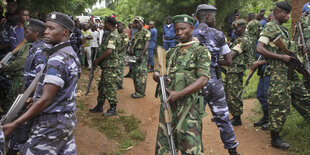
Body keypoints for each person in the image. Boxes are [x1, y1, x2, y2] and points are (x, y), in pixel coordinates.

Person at [3, 11, 80, 154]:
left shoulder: (57, 59)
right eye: (46, 27)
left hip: (52, 123)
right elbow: (63, 90)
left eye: (51, 28)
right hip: (66, 119)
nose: (46, 32)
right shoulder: (70, 54)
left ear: (65, 32)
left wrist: (15, 123)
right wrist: (37, 97)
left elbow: (47, 99)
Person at [154, 14, 211, 155]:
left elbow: (204, 79)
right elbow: (156, 73)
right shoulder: (171, 51)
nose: (179, 33)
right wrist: (160, 76)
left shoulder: (201, 50)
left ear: (192, 28)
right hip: (168, 105)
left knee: (190, 146)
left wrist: (179, 94)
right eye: (176, 30)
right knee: (165, 144)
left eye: (183, 29)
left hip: (189, 108)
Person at [256, 1, 310, 149]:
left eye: (288, 13)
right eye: (285, 13)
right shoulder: (270, 27)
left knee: (303, 96)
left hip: (290, 71)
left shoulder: (283, 29)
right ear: (277, 12)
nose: (288, 16)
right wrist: (281, 57)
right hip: (278, 73)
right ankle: (275, 138)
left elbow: (285, 49)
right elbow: (260, 48)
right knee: (279, 104)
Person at [193, 4, 240, 155]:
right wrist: (213, 60)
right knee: (223, 118)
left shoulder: (190, 34)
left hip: (195, 84)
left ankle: (195, 150)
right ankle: (232, 150)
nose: (214, 19)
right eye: (213, 16)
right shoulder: (218, 34)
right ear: (207, 16)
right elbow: (228, 61)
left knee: (194, 119)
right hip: (214, 83)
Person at [7, 18, 48, 155]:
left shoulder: (40, 51)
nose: (25, 34)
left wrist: (31, 98)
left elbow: (41, 79)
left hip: (29, 98)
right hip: (26, 96)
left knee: (21, 131)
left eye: (27, 31)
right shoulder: (34, 47)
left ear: (36, 33)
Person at [89, 17, 120, 116]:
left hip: (110, 66)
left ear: (108, 23)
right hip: (106, 65)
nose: (103, 25)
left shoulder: (114, 35)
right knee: (102, 86)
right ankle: (99, 106)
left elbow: (109, 51)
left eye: (105, 23)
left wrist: (97, 60)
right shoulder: (109, 34)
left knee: (109, 86)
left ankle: (113, 108)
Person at [226, 19, 251, 126]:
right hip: (232, 69)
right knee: (229, 93)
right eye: (234, 28)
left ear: (244, 27)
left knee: (234, 94)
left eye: (237, 28)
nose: (235, 30)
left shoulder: (244, 40)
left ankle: (237, 118)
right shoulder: (238, 38)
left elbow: (231, 56)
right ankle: (234, 115)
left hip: (236, 70)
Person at [130, 16, 150, 98]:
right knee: (135, 73)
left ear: (143, 23)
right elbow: (132, 42)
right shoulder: (135, 32)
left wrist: (141, 54)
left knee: (141, 73)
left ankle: (141, 93)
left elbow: (147, 43)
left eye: (139, 22)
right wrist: (130, 49)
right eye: (136, 22)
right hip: (135, 53)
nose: (137, 24)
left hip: (142, 53)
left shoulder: (146, 32)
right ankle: (137, 91)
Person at [116, 22, 128, 89]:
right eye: (117, 26)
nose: (118, 28)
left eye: (120, 26)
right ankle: (116, 83)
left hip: (121, 55)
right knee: (116, 69)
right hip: (116, 55)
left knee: (120, 70)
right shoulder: (116, 34)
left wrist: (116, 50)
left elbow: (125, 45)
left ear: (123, 27)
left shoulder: (125, 35)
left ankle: (119, 84)